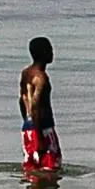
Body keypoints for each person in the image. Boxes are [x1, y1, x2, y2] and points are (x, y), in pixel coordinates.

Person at [18, 38, 61, 175]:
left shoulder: (26, 73)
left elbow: (22, 99)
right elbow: (35, 104)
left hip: (28, 127)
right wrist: (40, 138)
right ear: (43, 53)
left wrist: (27, 121)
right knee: (51, 167)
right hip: (42, 127)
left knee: (31, 167)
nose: (52, 53)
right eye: (49, 50)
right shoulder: (41, 77)